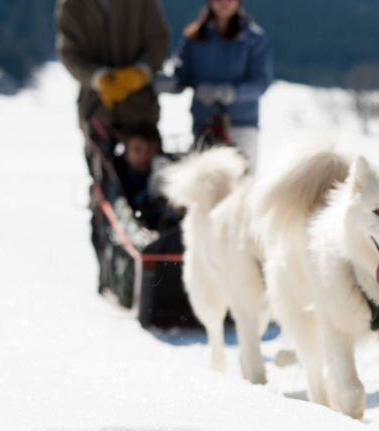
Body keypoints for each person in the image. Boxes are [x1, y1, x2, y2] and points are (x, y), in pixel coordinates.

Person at [55, 0, 170, 292]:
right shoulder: (72, 6)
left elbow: (158, 42)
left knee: (153, 188)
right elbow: (69, 52)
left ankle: (155, 269)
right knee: (104, 195)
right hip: (98, 112)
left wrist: (140, 72)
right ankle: (109, 274)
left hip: (140, 112)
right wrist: (97, 77)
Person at [160, 0, 272, 171]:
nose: (223, 3)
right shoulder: (195, 37)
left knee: (242, 187)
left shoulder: (253, 38)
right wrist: (170, 83)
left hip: (241, 127)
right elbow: (181, 74)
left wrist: (229, 92)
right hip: (204, 125)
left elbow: (260, 83)